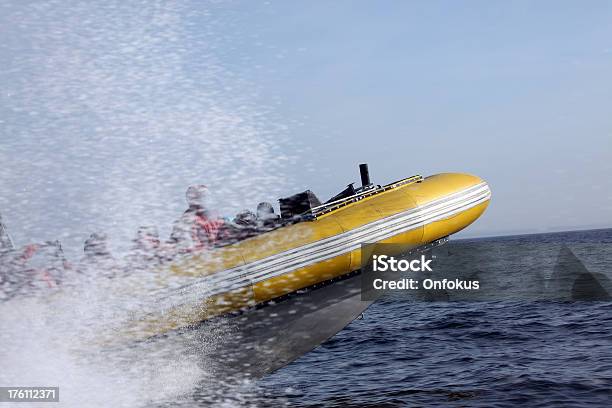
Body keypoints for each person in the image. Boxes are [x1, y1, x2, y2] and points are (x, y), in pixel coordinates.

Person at [169, 185, 225, 252]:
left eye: (209, 197)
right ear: (194, 201)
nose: (209, 200)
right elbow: (191, 248)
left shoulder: (214, 218)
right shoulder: (185, 223)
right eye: (204, 197)